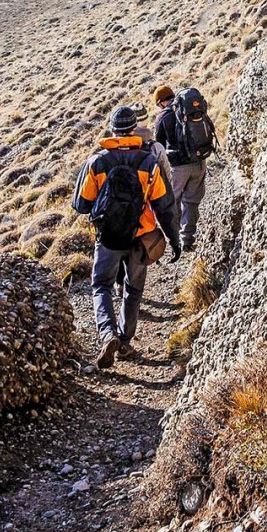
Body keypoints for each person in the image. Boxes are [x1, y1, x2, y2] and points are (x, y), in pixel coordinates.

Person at [73, 104, 180, 369]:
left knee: (102, 286)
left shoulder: (97, 162)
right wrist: (174, 238)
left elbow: (81, 204)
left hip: (108, 237)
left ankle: (107, 333)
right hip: (140, 236)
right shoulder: (148, 161)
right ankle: (124, 342)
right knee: (133, 290)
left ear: (112, 129)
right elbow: (164, 205)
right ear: (134, 129)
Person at [154, 84, 216, 253]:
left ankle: (175, 238)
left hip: (177, 167)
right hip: (199, 161)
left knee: (173, 201)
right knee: (192, 201)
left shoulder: (162, 117)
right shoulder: (188, 108)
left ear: (160, 103)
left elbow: (157, 144)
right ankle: (187, 238)